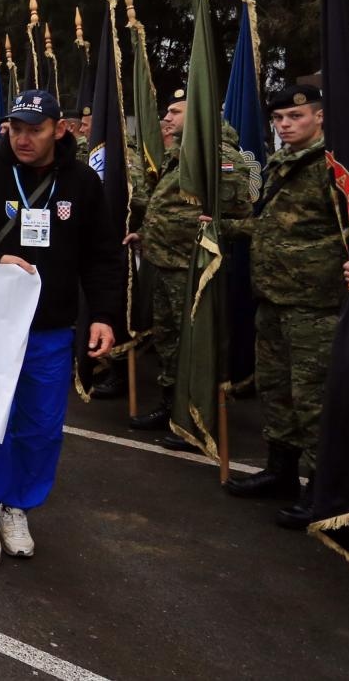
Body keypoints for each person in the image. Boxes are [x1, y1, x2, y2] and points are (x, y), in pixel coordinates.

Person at [0, 90, 123, 568]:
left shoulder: (81, 182)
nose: (23, 138)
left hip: (51, 325)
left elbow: (102, 255)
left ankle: (18, 506)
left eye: (34, 129)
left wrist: (103, 315)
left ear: (59, 130)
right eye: (16, 128)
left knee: (42, 426)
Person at [221, 85, 349, 529]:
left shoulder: (335, 166)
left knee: (313, 397)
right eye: (278, 119)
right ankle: (280, 471)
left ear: (320, 116)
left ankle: (324, 490)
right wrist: (222, 226)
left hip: (316, 303)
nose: (284, 125)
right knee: (276, 390)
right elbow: (269, 225)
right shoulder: (279, 163)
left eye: (294, 116)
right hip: (273, 297)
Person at [126, 92, 256, 439]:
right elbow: (168, 204)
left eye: (175, 112)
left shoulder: (219, 155)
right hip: (164, 260)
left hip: (194, 268)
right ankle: (171, 406)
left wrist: (208, 228)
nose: (166, 118)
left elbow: (238, 216)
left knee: (193, 344)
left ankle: (196, 418)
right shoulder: (181, 151)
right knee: (169, 341)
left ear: (198, 115)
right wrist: (144, 232)